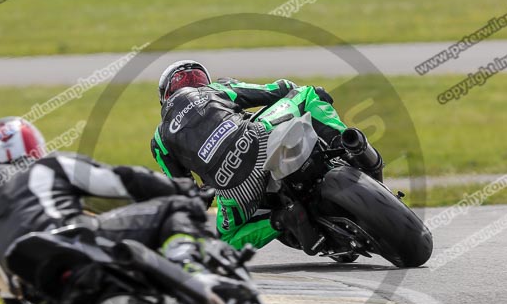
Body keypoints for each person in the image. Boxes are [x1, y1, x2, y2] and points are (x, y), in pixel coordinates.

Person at [0, 116, 213, 304]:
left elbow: (7, 296)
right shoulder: (47, 165)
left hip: (40, 293)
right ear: (33, 147)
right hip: (79, 245)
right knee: (175, 208)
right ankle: (188, 265)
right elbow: (122, 180)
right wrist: (183, 189)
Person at [150, 60, 384, 256]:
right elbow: (279, 89)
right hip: (257, 139)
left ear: (164, 96)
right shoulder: (217, 89)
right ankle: (348, 145)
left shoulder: (160, 139)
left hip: (234, 187)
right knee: (310, 94)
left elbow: (187, 199)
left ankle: (282, 219)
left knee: (223, 242)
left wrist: (210, 190)